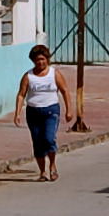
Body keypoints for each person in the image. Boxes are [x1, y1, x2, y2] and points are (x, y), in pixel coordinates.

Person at [14, 44, 73, 182]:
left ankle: (52, 166)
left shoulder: (54, 74)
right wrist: (17, 113)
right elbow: (21, 95)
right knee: (37, 143)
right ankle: (42, 172)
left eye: (42, 59)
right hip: (33, 112)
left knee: (48, 138)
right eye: (37, 60)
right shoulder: (28, 76)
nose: (40, 62)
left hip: (51, 110)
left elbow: (64, 90)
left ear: (47, 59)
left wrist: (69, 110)